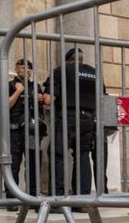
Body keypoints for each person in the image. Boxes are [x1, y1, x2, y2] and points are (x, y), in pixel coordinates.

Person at [44, 48, 104, 198]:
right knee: (83, 156)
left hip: (68, 118)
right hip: (88, 119)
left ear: (67, 60)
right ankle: (82, 199)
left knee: (57, 154)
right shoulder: (95, 73)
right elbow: (103, 98)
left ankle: (57, 198)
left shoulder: (61, 71)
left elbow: (47, 99)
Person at [7, 58, 44, 198]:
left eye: (29, 68)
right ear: (16, 69)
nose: (26, 70)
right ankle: (11, 199)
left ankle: (33, 198)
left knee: (34, 165)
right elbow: (5, 106)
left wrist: (42, 99)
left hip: (33, 131)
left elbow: (44, 106)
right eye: (22, 67)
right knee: (13, 165)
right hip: (15, 130)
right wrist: (17, 92)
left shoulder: (36, 86)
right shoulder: (10, 85)